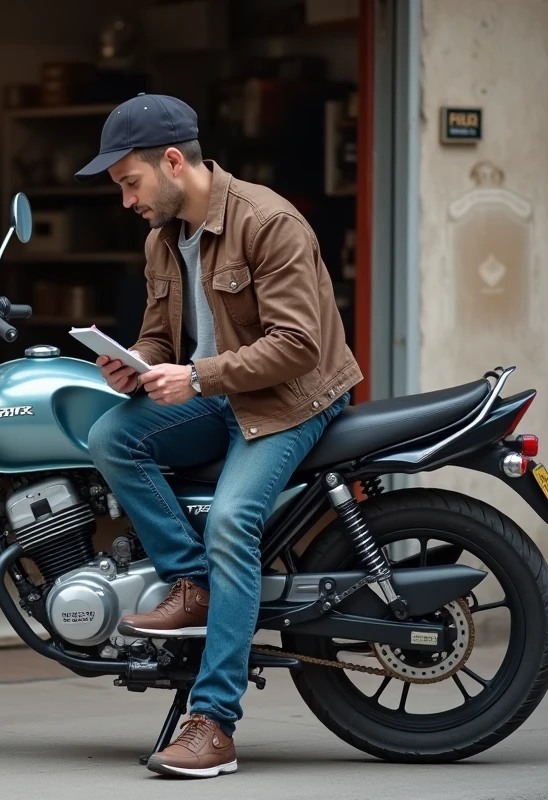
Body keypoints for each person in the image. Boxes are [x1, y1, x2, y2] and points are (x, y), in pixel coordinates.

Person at [80, 94, 362, 778]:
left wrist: (198, 378)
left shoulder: (269, 222)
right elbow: (158, 333)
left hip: (291, 399)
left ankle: (214, 723)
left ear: (173, 162)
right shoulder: (162, 238)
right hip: (221, 393)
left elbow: (298, 345)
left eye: (130, 183)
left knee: (232, 522)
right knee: (111, 438)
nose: (127, 201)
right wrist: (131, 363)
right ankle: (190, 583)